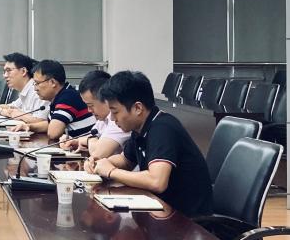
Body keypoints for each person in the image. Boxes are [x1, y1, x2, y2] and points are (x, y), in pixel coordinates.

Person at [88, 71, 213, 217]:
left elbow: (157, 182)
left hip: (187, 220)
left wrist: (111, 172)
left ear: (138, 108)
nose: (112, 119)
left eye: (115, 112)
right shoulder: (140, 127)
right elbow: (126, 160)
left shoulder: (162, 128)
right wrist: (101, 163)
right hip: (162, 210)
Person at [61, 70, 130, 158]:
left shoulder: (119, 120)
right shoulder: (103, 120)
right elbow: (91, 137)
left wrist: (89, 140)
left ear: (106, 99)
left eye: (91, 105)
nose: (89, 110)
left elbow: (97, 154)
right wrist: (75, 141)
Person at [25, 59, 95, 140]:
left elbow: (53, 133)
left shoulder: (67, 98)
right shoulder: (62, 95)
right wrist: (29, 126)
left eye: (37, 83)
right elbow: (51, 123)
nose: (35, 88)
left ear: (53, 82)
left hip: (88, 145)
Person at [0, 53, 40, 124]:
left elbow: (40, 121)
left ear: (23, 71)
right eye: (4, 71)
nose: (5, 75)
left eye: (8, 70)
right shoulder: (25, 90)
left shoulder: (37, 90)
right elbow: (12, 107)